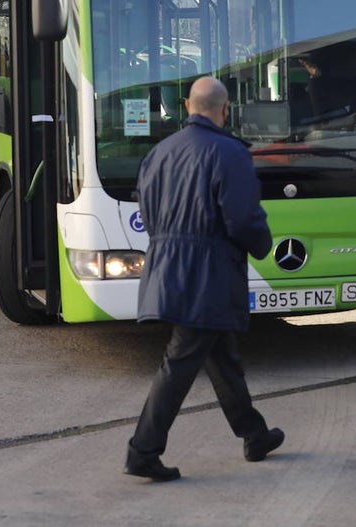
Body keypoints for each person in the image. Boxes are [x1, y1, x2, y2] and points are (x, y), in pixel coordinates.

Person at [125, 75, 284, 482]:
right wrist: (263, 244)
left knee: (221, 354)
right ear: (225, 109)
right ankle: (142, 451)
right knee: (180, 361)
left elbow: (149, 209)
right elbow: (242, 217)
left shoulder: (160, 152)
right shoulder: (229, 153)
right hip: (208, 272)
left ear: (187, 106)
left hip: (168, 267)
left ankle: (254, 434)